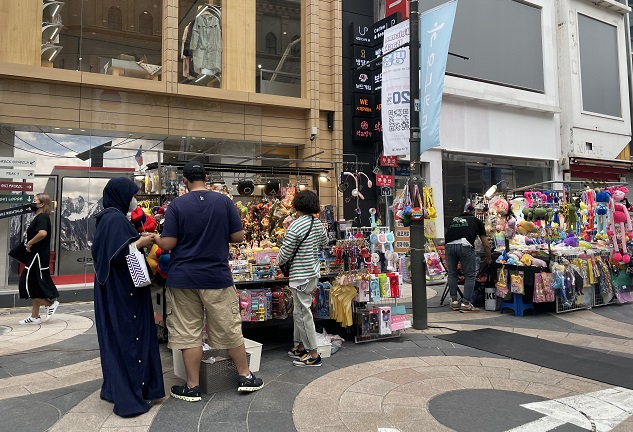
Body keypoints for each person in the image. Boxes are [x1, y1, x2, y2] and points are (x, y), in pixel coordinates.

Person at [154, 161, 263, 402]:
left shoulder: (176, 206)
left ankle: (192, 386)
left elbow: (168, 243)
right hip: (216, 276)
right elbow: (237, 237)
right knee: (228, 325)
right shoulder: (224, 201)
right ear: (206, 177)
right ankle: (245, 376)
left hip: (183, 278)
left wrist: (154, 238)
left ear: (185, 181)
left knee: (188, 331)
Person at [91, 178, 165, 417]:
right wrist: (141, 242)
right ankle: (132, 396)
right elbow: (118, 254)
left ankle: (117, 388)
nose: (135, 200)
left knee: (116, 339)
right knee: (131, 337)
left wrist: (135, 241)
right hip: (125, 293)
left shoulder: (109, 217)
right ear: (122, 195)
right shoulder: (114, 219)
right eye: (132, 194)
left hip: (117, 289)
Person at [277, 190, 328, 367]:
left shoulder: (296, 226)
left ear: (297, 205)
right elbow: (324, 243)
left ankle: (313, 354)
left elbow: (283, 256)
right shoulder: (318, 224)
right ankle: (299, 347)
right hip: (312, 273)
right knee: (299, 312)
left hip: (300, 276)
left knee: (303, 314)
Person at [16, 193, 60, 325]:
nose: (32, 203)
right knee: (35, 284)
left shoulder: (42, 217)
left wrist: (30, 243)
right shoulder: (41, 217)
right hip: (36, 255)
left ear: (42, 204)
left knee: (27, 283)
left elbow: (42, 233)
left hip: (37, 256)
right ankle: (35, 317)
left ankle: (49, 304)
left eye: (35, 201)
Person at [444, 201, 492, 312]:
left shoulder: (454, 220)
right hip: (465, 246)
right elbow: (486, 244)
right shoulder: (476, 221)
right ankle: (466, 303)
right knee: (470, 275)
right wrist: (489, 259)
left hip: (449, 246)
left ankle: (454, 301)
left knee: (452, 273)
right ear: (473, 213)